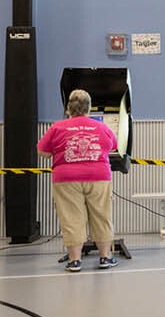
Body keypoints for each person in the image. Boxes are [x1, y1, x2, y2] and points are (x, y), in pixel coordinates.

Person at [36, 89, 121, 272]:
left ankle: (75, 261)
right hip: (98, 176)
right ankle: (105, 257)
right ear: (88, 108)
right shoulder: (101, 127)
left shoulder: (57, 127)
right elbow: (113, 146)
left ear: (68, 108)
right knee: (101, 216)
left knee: (72, 218)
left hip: (66, 178)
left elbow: (42, 151)